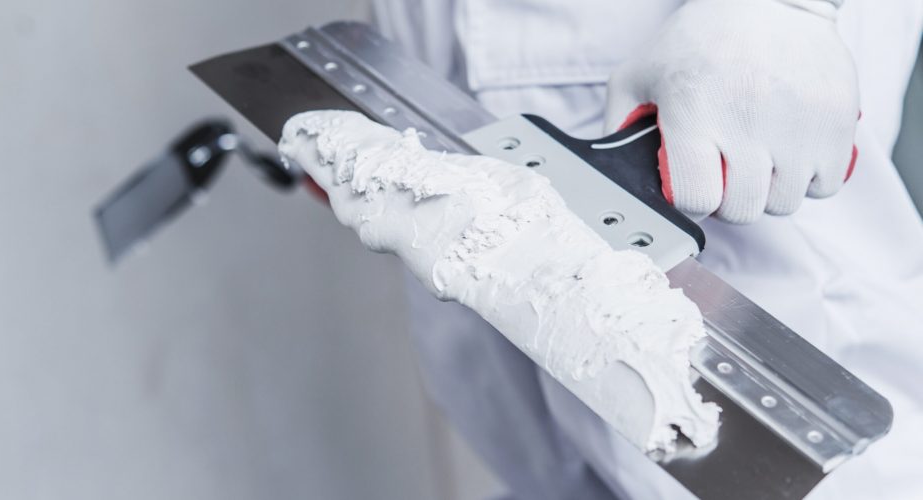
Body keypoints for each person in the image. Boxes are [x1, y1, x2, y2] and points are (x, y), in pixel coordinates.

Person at [371, 0, 923, 498]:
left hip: (727, 42)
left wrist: (790, 8)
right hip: (443, 39)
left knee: (788, 454)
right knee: (541, 445)